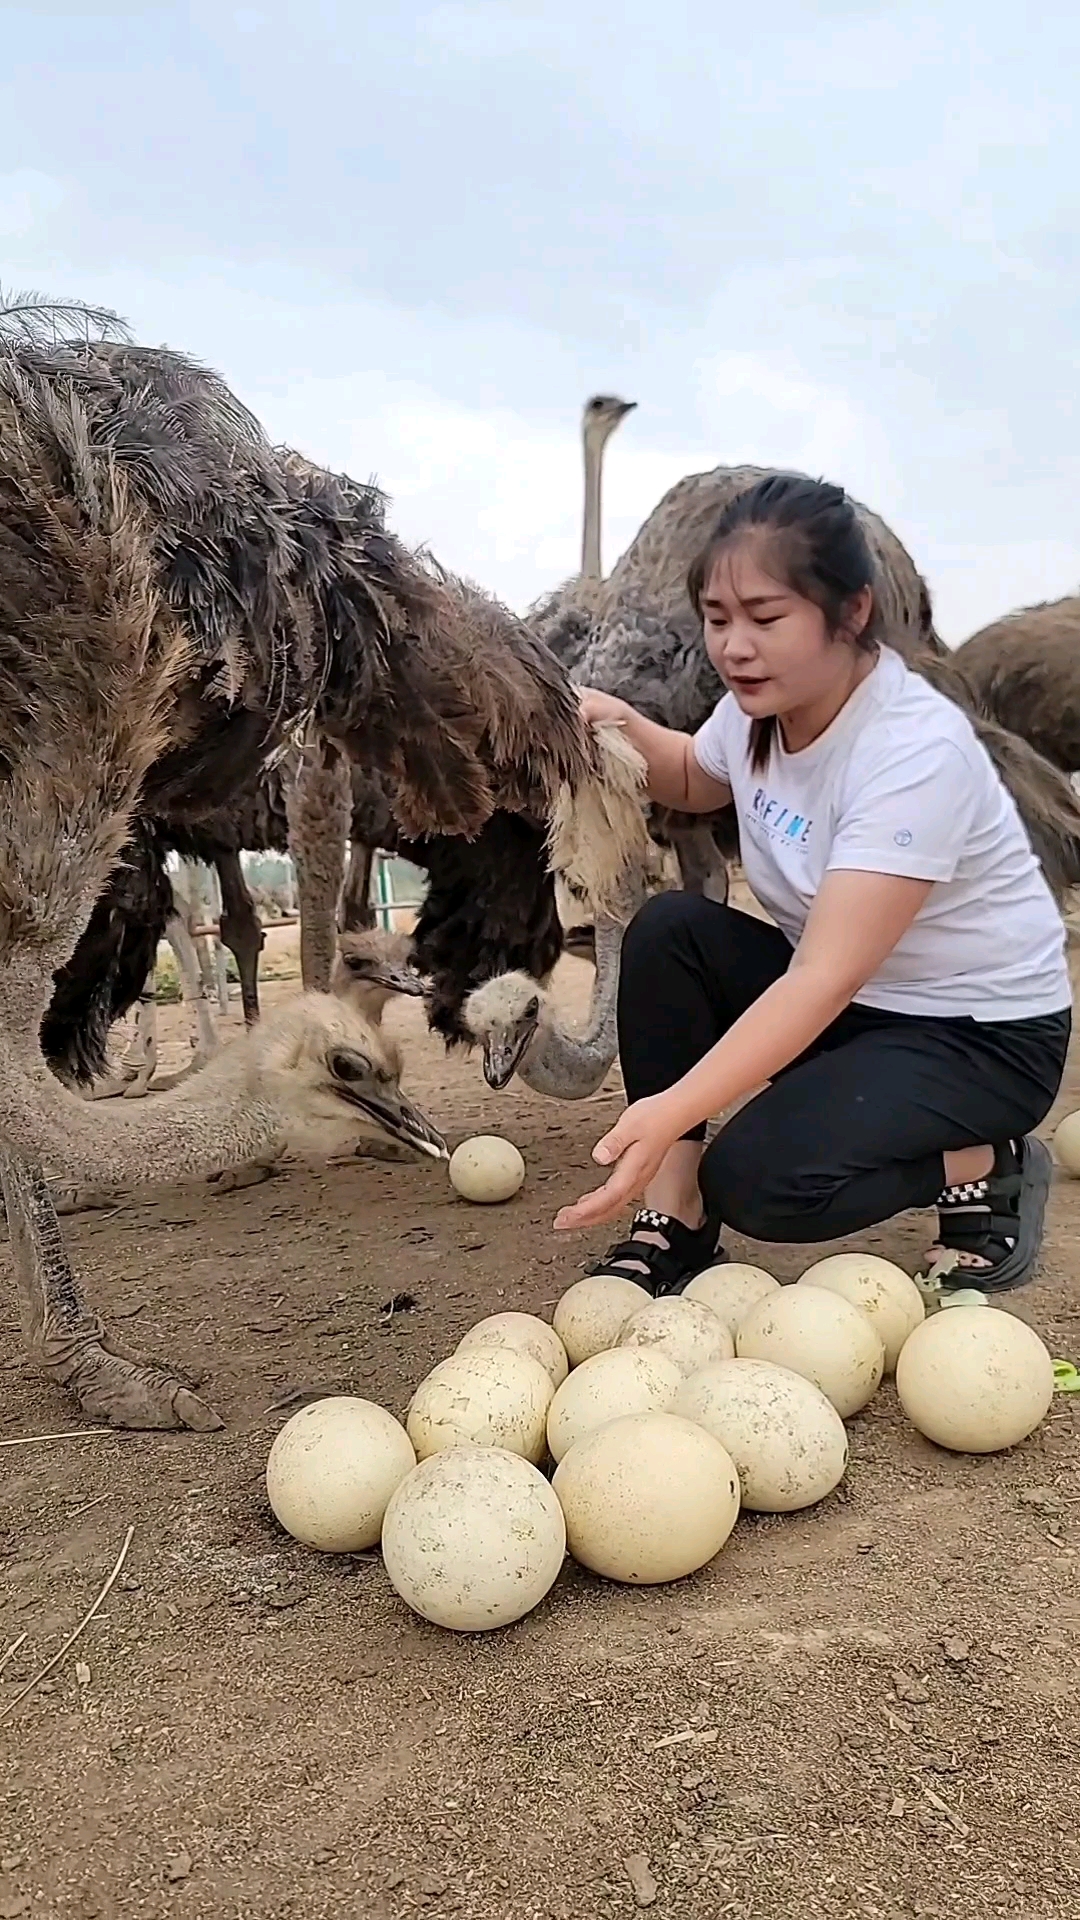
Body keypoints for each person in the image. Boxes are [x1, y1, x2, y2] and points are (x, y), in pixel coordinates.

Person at [553, 473, 1071, 1298]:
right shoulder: (760, 710)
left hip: (979, 1038)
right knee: (670, 931)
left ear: (852, 612)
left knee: (761, 1183)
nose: (734, 647)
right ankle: (675, 1215)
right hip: (870, 1011)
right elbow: (691, 772)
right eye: (718, 620)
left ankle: (989, 1161)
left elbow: (822, 978)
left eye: (765, 618)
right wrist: (610, 721)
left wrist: (670, 1105)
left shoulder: (910, 752)